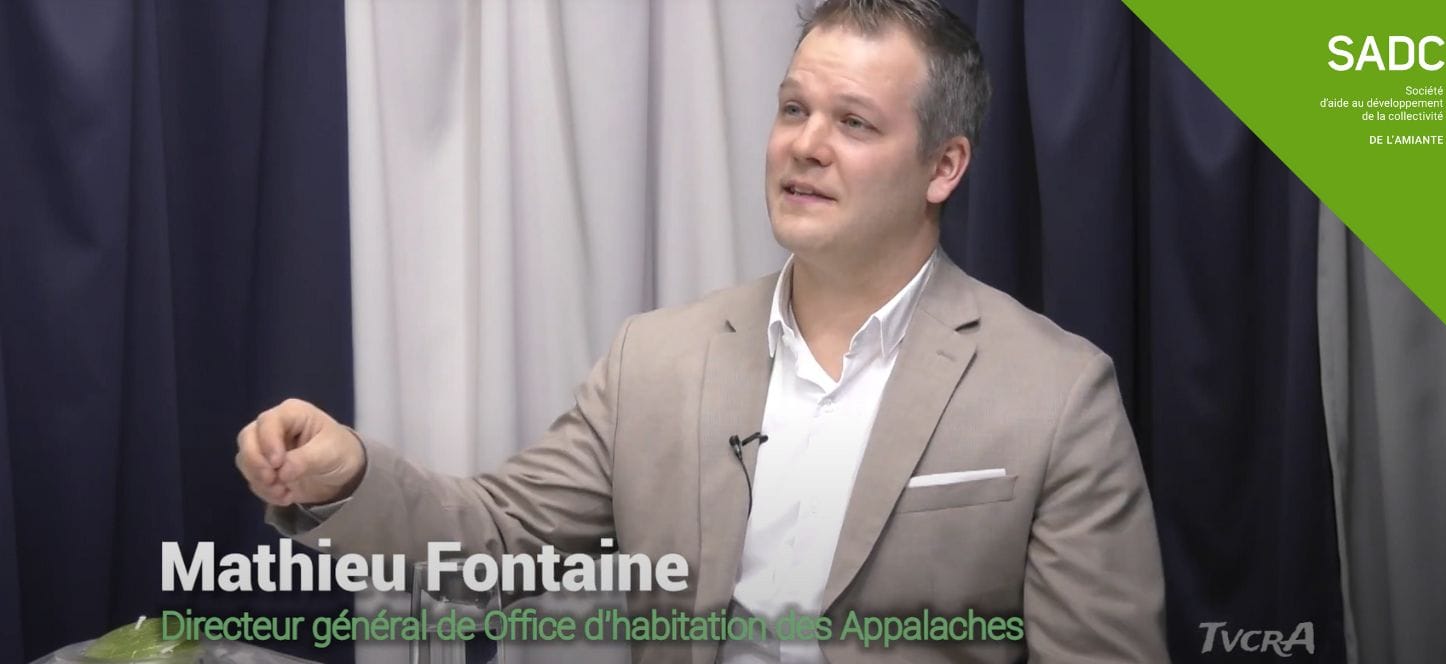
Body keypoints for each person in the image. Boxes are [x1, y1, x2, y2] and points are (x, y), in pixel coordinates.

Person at [235, 1, 1169, 661]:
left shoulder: (1054, 393)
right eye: (793, 109)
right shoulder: (657, 358)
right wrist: (348, 477)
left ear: (943, 166)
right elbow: (495, 543)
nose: (804, 144)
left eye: (853, 123)